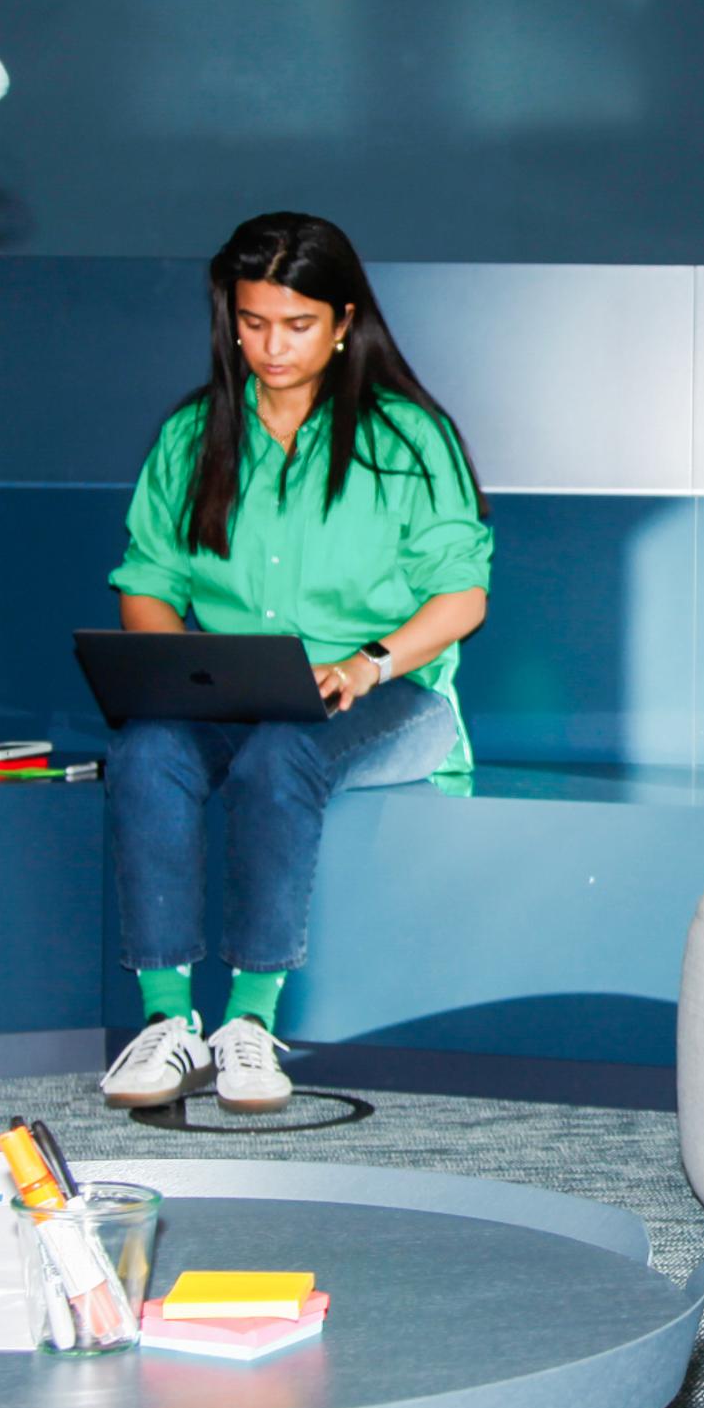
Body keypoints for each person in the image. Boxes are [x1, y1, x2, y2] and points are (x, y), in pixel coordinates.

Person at [98, 215, 494, 1115]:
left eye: (297, 325)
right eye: (252, 323)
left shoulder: (406, 438)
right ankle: (166, 1021)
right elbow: (147, 582)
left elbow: (461, 599)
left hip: (391, 696)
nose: (271, 347)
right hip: (235, 696)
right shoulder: (194, 435)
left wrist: (363, 666)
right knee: (148, 748)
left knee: (284, 754)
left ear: (344, 319)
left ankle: (248, 1022)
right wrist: (183, 674)